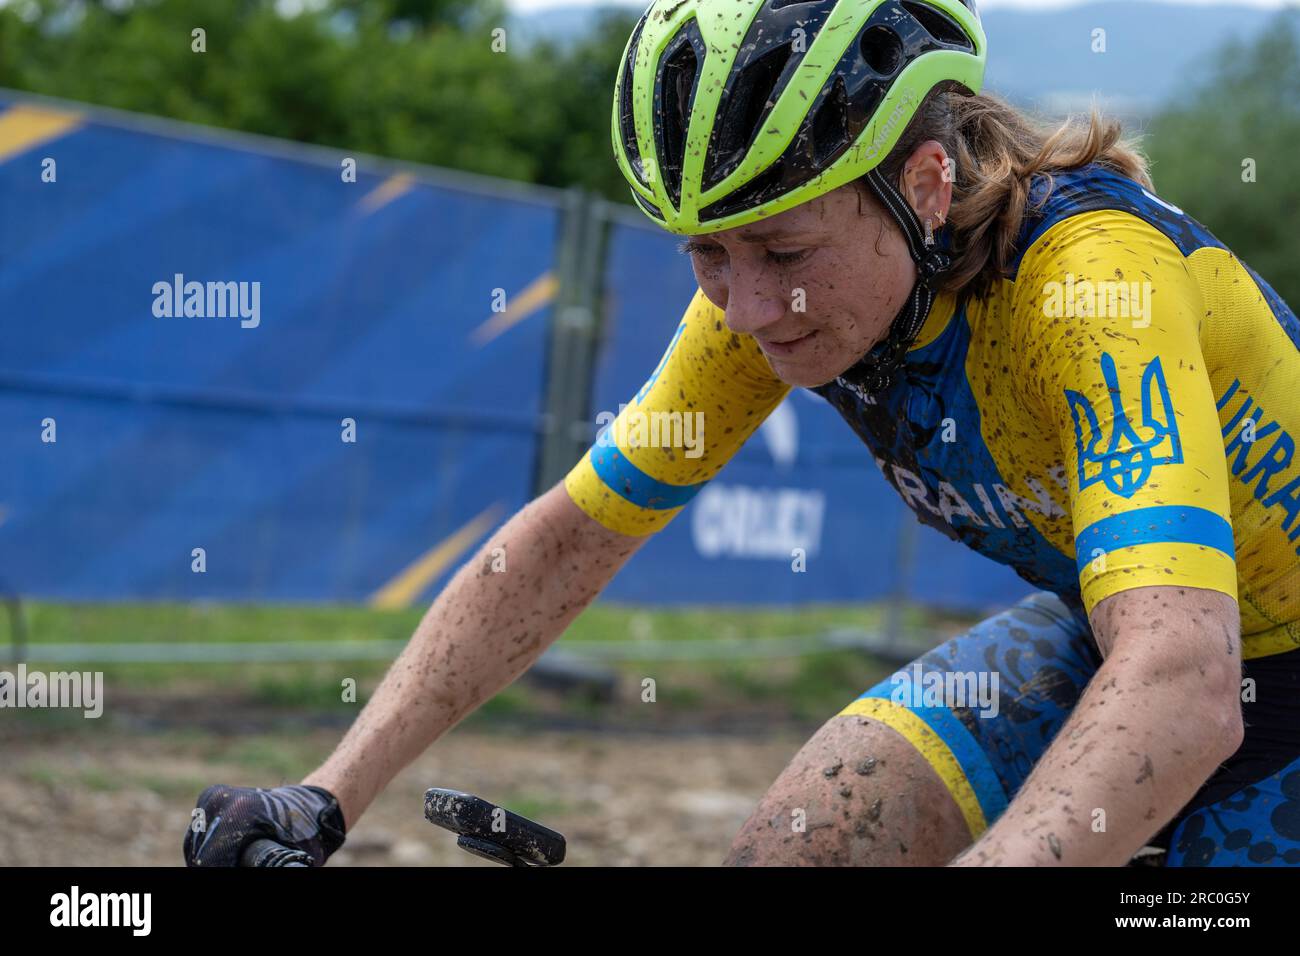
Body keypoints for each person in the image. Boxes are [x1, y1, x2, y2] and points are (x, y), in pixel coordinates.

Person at [185, 0, 1300, 867]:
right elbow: (565, 540)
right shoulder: (759, 299)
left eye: (781, 254)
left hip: (1211, 659)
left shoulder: (1087, 285)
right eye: (705, 255)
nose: (746, 308)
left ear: (923, 182)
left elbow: (1180, 674)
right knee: (803, 843)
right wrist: (325, 792)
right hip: (1109, 637)